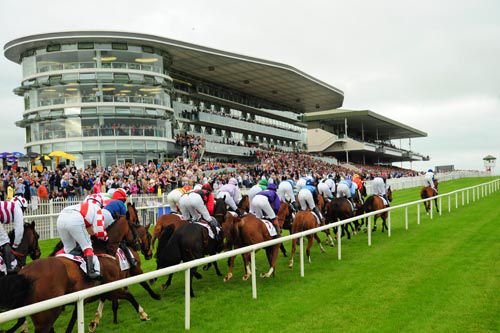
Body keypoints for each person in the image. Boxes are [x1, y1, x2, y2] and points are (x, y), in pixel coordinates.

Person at [56, 195, 108, 279]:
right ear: (100, 204)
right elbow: (100, 231)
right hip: (75, 219)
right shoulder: (97, 208)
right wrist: (106, 238)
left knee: (69, 248)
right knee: (87, 246)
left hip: (61, 218)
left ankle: (57, 262)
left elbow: (90, 230)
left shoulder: (81, 205)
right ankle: (91, 272)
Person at [0, 195, 27, 274]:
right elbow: (19, 230)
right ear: (21, 206)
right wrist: (15, 245)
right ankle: (9, 268)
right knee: (5, 241)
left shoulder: (9, 205)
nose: (23, 212)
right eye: (24, 209)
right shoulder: (17, 208)